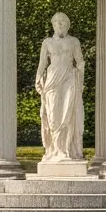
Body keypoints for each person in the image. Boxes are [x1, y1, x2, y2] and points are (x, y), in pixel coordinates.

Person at [35, 11, 86, 163]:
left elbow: (80, 61)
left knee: (68, 114)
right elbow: (42, 63)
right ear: (53, 25)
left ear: (68, 25)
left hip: (69, 78)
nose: (60, 24)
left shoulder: (74, 42)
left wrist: (80, 79)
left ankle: (66, 151)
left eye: (63, 21)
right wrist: (38, 77)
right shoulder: (47, 43)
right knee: (53, 116)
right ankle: (54, 150)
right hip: (52, 81)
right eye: (57, 21)